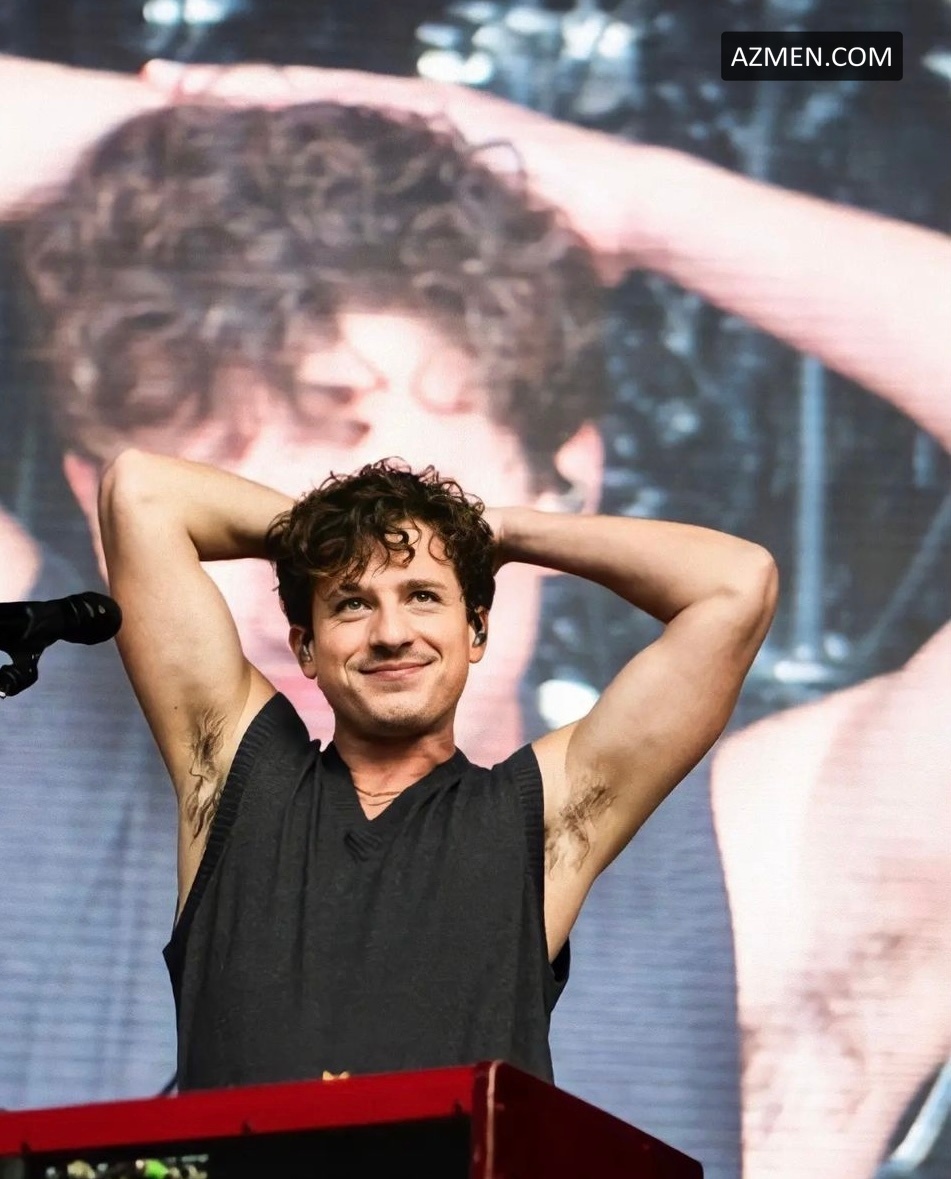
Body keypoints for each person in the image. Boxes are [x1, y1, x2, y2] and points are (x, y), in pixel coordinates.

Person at [0, 53, 948, 1178]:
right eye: (231, 528)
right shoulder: (25, 738)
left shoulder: (758, 887)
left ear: (559, 484)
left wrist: (617, 193)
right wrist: (216, 141)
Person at [97, 447, 776, 1088]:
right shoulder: (237, 780)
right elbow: (141, 491)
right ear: (305, 647)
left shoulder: (539, 819)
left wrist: (497, 532)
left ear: (476, 630)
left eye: (422, 595)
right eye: (352, 602)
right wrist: (330, 535)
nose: (391, 633)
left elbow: (736, 585)